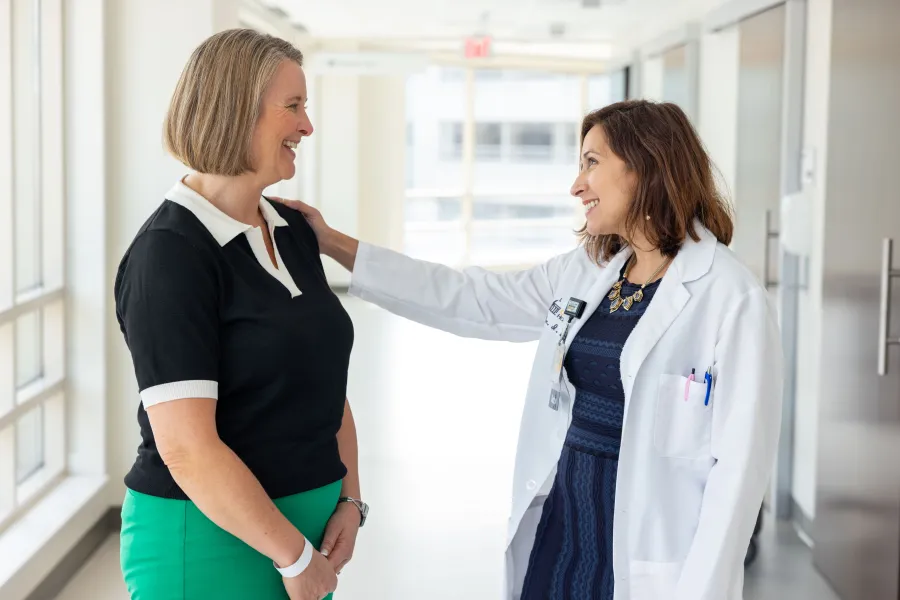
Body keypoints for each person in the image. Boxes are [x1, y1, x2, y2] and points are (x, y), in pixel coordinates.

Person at [274, 99, 783, 600]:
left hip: (651, 546)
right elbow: (469, 297)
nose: (576, 185)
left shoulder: (729, 296)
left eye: (591, 162)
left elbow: (737, 479)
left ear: (647, 164)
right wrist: (332, 242)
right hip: (566, 520)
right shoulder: (588, 271)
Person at [114, 29, 368, 600]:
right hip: (211, 540)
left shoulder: (295, 232)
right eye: (294, 107)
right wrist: (294, 557)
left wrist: (350, 498)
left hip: (307, 534)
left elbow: (325, 382)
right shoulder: (170, 254)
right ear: (235, 111)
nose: (307, 127)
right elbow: (185, 446)